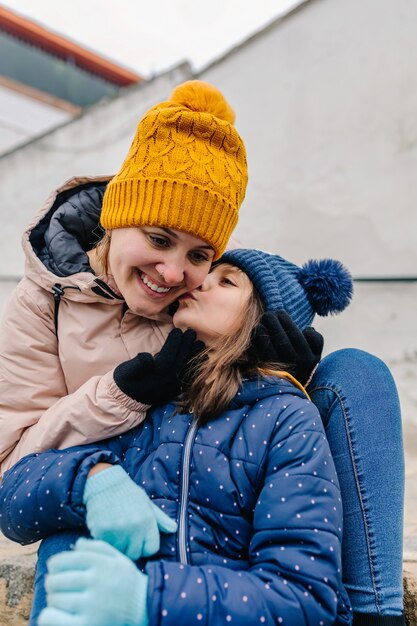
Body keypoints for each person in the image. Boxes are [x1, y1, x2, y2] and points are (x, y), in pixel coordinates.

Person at [0, 79, 405, 624]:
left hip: (211, 537)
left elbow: (297, 582)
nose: (175, 276)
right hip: (97, 505)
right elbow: (13, 475)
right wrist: (123, 397)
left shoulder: (198, 303)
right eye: (158, 239)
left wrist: (285, 381)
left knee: (356, 371)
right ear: (118, 219)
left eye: (201, 257)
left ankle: (375, 611)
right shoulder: (39, 307)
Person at [1, 248, 356, 626]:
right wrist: (91, 479)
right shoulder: (154, 400)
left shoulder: (286, 419)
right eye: (209, 272)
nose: (199, 281)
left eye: (227, 281)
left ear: (264, 320)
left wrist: (147, 598)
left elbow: (304, 596)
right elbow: (13, 500)